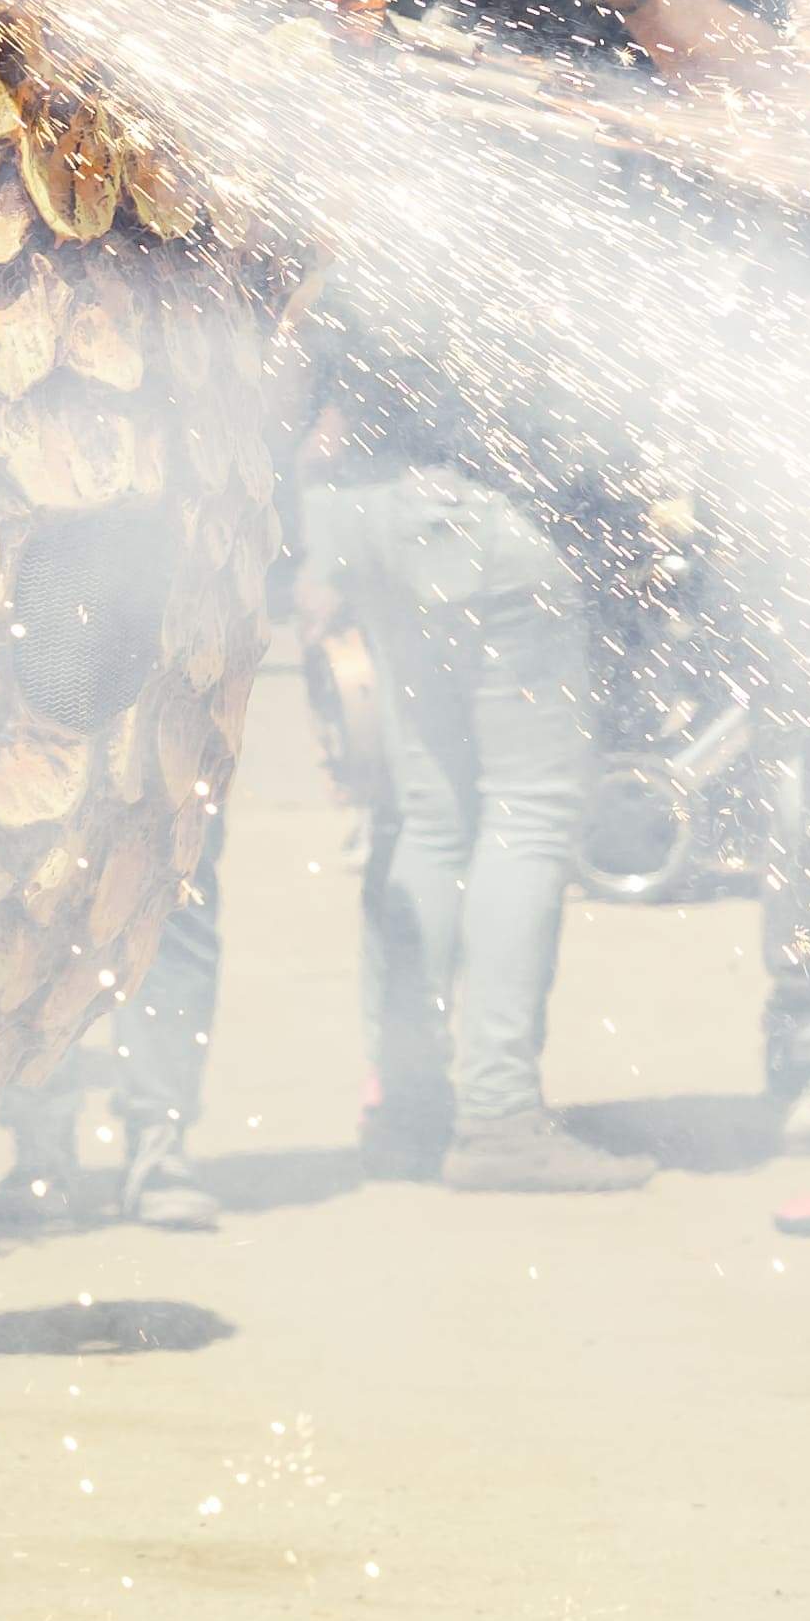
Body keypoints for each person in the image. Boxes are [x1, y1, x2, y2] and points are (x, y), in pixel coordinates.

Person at [296, 378, 646, 1193]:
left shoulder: (362, 254)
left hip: (369, 507)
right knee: (528, 811)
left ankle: (411, 1107)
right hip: (485, 508)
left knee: (433, 813)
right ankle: (498, 1113)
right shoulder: (516, 257)